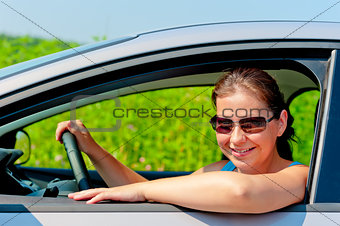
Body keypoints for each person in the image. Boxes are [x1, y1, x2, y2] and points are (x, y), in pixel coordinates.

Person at [55, 68, 309, 213]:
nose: (236, 138)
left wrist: (142, 191)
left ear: (281, 123)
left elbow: (240, 192)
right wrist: (92, 149)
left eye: (251, 124)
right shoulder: (221, 171)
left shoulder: (300, 177)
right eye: (224, 124)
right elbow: (154, 192)